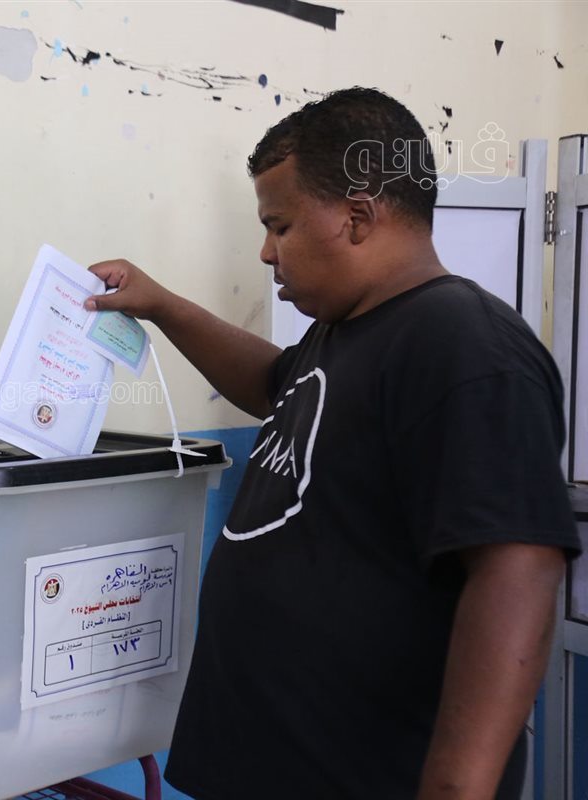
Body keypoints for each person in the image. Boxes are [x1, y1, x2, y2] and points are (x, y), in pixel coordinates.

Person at [84, 87, 580, 800]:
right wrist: (162, 305)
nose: (266, 252)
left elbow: (519, 568)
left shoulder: (465, 344)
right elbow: (272, 383)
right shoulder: (347, 330)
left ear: (357, 217)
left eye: (279, 226)